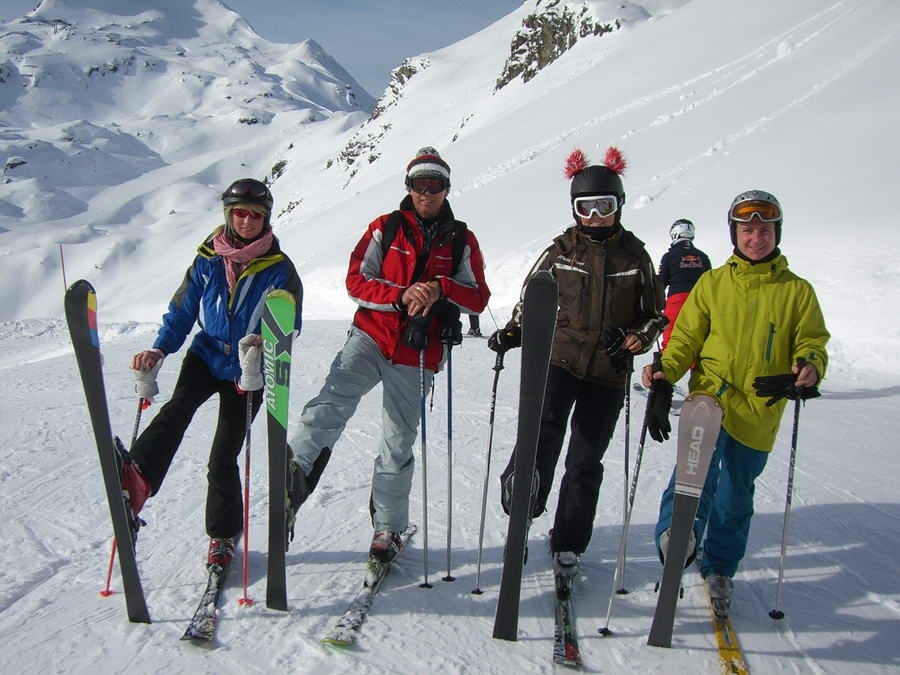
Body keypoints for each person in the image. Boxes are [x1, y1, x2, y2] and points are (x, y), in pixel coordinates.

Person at [285, 147, 490, 562]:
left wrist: (441, 288)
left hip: (419, 353)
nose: (426, 193)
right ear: (409, 187)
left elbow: (479, 297)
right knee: (328, 405)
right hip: (371, 337)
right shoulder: (385, 227)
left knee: (397, 442)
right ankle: (293, 478)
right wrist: (400, 296)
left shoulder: (462, 239)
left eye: (435, 185)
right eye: (419, 184)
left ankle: (388, 528)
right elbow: (356, 281)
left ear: (447, 189)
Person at [644, 189, 829, 617]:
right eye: (748, 229)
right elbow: (686, 337)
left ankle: (721, 567)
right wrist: (664, 371)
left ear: (775, 232)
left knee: (735, 493)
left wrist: (809, 365)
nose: (756, 238)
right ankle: (677, 535)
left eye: (764, 229)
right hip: (711, 395)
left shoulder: (797, 291)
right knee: (694, 475)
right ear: (735, 233)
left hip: (761, 406)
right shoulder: (712, 283)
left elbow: (812, 339)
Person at [488, 147, 666, 578]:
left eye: (604, 206)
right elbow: (534, 295)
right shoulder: (561, 250)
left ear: (618, 206)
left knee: (585, 459)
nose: (595, 216)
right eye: (585, 208)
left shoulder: (635, 257)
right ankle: (522, 506)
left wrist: (634, 339)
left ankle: (568, 541)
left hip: (607, 370)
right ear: (575, 210)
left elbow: (655, 314)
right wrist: (516, 329)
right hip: (560, 359)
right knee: (541, 434)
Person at [122, 178, 303, 568]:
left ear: (266, 218)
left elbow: (288, 322)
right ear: (228, 214)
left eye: (256, 214)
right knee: (177, 408)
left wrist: (263, 348)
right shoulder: (207, 258)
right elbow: (183, 311)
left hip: (248, 369)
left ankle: (222, 536)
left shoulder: (279, 269)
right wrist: (159, 349)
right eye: (240, 212)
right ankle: (136, 481)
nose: (248, 220)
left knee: (223, 455)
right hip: (206, 353)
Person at [657, 218, 711, 350]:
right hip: (700, 301)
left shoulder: (669, 256)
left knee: (670, 339)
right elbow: (711, 281)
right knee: (700, 338)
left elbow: (660, 283)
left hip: (677, 299)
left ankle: (665, 368)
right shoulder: (703, 256)